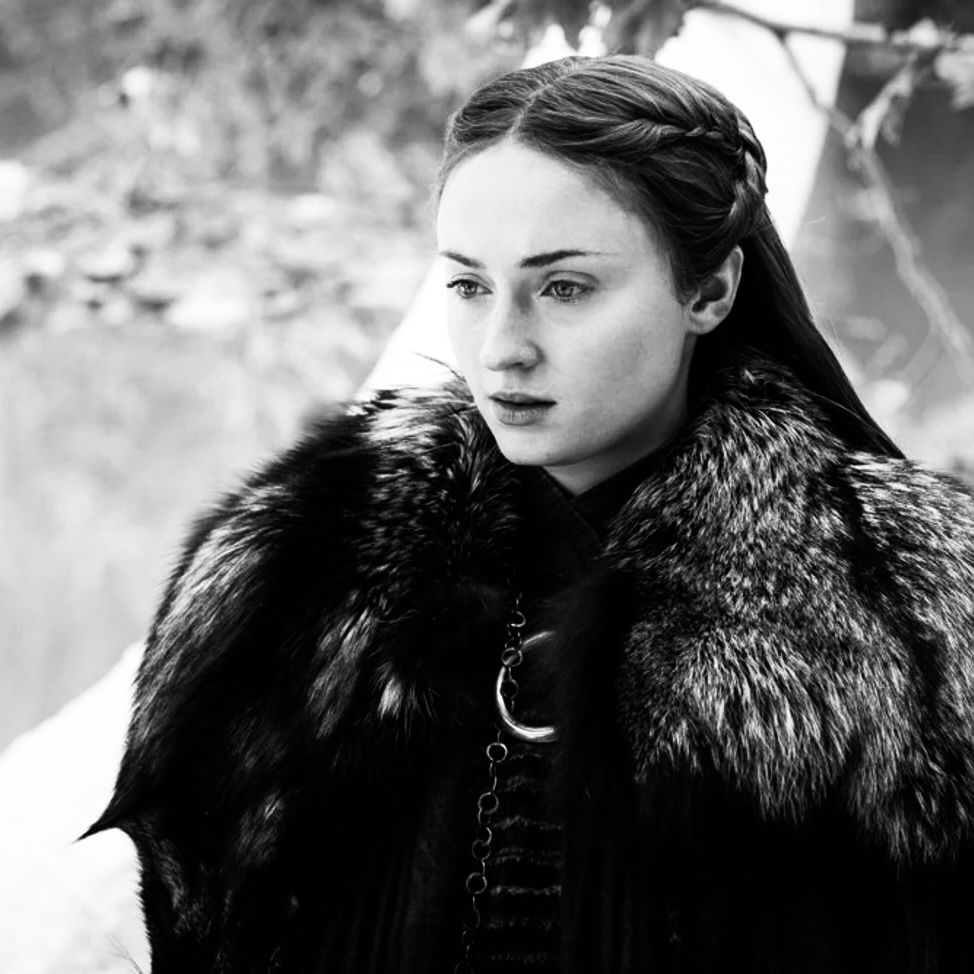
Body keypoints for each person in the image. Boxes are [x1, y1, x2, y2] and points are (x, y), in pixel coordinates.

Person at [86, 55, 974, 973]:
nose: (501, 348)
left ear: (708, 291)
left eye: (564, 288)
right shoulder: (302, 563)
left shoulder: (906, 604)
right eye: (470, 287)